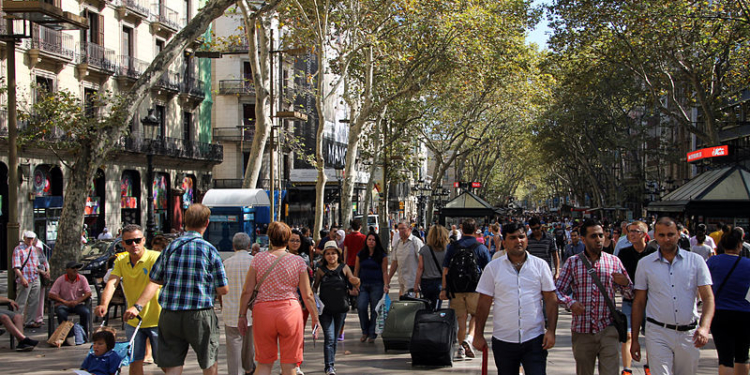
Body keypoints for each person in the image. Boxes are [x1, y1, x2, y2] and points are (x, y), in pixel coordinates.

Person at [124, 203, 229, 375]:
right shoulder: (209, 250)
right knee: (208, 360)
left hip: (170, 313)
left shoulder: (170, 248)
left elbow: (154, 277)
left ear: (185, 222)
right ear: (207, 223)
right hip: (199, 313)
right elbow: (223, 289)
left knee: (173, 362)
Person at [630, 217, 715, 375]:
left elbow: (708, 298)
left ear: (679, 234)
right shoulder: (645, 264)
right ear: (655, 235)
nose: (666, 239)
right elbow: (639, 302)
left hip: (689, 334)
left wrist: (704, 327)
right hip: (657, 332)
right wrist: (634, 339)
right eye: (661, 235)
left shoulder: (696, 261)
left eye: (671, 234)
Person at [473, 221, 558, 375]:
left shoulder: (540, 266)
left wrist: (551, 330)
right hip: (504, 339)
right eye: (513, 238)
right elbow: (483, 304)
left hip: (534, 339)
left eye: (521, 237)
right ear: (504, 242)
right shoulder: (493, 268)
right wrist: (478, 335)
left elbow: (551, 300)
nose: (518, 241)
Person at [237, 221, 320, 375]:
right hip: (290, 312)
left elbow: (247, 290)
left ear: (269, 238)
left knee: (264, 364)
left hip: (263, 313)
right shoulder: (298, 262)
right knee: (290, 365)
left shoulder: (258, 259)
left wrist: (242, 315)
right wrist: (315, 318)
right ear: (287, 238)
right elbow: (307, 295)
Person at [555, 219, 633, 375]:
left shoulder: (614, 262)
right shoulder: (572, 263)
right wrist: (571, 303)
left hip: (608, 329)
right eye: (593, 236)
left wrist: (625, 284)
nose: (598, 239)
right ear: (583, 239)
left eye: (600, 235)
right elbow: (556, 291)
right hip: (582, 331)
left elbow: (630, 294)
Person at [95, 224, 162, 375]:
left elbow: (154, 283)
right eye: (129, 242)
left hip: (157, 319)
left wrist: (137, 306)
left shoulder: (155, 258)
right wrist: (103, 304)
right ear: (123, 243)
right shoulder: (120, 260)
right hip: (133, 321)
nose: (134, 245)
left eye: (137, 240)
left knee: (164, 363)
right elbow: (112, 283)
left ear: (144, 240)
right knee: (134, 361)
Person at [440, 218, 492, 360]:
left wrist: (444, 288)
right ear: (476, 230)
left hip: (456, 288)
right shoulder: (480, 247)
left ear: (462, 229)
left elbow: (446, 269)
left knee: (461, 319)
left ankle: (462, 348)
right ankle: (468, 340)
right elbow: (489, 270)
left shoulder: (453, 247)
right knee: (475, 315)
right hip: (475, 288)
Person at [313, 242, 360, 375]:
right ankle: (329, 366)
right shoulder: (321, 270)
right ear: (324, 256)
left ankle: (331, 364)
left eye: (333, 253)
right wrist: (312, 298)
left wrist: (357, 281)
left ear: (338, 255)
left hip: (340, 308)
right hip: (325, 310)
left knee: (334, 338)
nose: (331, 256)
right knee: (329, 337)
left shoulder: (344, 268)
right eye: (328, 253)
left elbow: (352, 279)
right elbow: (315, 286)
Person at [707, 228, 750, 375]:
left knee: (725, 357)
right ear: (740, 245)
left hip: (719, 312)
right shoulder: (748, 264)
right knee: (743, 356)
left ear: (722, 245)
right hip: (745, 314)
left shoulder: (712, 262)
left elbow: (706, 286)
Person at [617, 221, 656, 375]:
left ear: (644, 234)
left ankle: (649, 366)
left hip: (651, 301)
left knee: (651, 335)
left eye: (635, 231)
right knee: (627, 335)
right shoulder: (624, 253)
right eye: (630, 231)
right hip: (630, 300)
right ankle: (627, 369)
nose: (632, 234)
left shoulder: (654, 252)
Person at [221, 232, 256, 375]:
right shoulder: (254, 262)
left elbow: (220, 289)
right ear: (248, 245)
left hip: (231, 310)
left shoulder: (226, 263)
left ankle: (236, 372)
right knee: (249, 345)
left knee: (233, 345)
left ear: (233, 246)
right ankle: (248, 367)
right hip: (250, 312)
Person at [353, 232, 389, 343]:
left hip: (377, 285)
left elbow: (384, 271)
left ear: (376, 242)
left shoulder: (382, 256)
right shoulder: (361, 254)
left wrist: (386, 285)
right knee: (361, 306)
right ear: (366, 241)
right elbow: (356, 270)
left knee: (375, 309)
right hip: (363, 285)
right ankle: (365, 331)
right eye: (369, 239)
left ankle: (372, 333)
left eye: (373, 240)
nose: (371, 241)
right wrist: (355, 284)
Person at [49, 260, 93, 340]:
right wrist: (64, 302)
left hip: (77, 304)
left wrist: (78, 301)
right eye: (73, 268)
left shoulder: (82, 278)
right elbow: (51, 294)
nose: (75, 270)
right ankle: (66, 336)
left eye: (77, 268)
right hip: (64, 304)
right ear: (67, 270)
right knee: (61, 312)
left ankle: (83, 335)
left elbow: (88, 293)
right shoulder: (60, 280)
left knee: (85, 312)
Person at [12, 231, 46, 328]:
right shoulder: (18, 249)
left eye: (32, 239)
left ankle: (30, 321)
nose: (30, 241)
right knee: (21, 301)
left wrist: (42, 272)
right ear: (24, 238)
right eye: (28, 239)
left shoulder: (35, 250)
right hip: (24, 277)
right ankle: (17, 320)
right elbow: (16, 267)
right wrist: (22, 278)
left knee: (34, 301)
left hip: (35, 277)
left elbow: (36, 265)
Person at [414, 224, 449, 311]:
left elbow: (420, 268)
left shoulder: (424, 249)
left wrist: (416, 284)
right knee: (437, 308)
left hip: (426, 282)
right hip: (440, 282)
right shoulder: (447, 250)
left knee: (427, 307)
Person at [387, 221, 424, 296]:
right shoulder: (398, 243)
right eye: (399, 229)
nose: (400, 231)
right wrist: (388, 278)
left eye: (403, 228)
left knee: (411, 305)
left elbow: (423, 262)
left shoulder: (416, 242)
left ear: (410, 228)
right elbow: (395, 262)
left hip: (413, 281)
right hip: (402, 281)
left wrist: (418, 282)